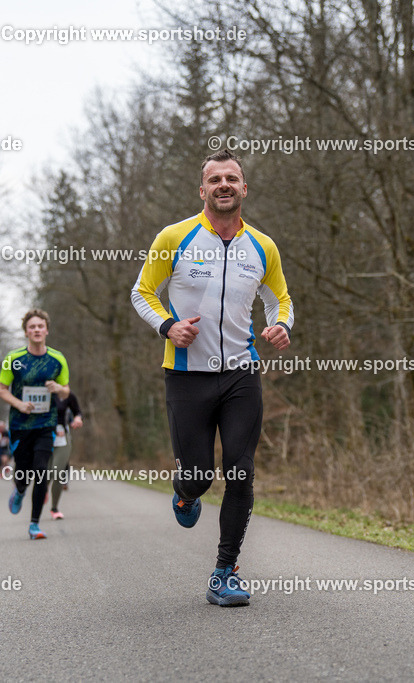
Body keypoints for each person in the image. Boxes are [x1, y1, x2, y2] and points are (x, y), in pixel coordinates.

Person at [131, 150, 293, 606]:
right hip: (187, 376)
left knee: (240, 470)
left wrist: (282, 324)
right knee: (200, 475)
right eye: (215, 179)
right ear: (203, 190)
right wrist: (168, 325)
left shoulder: (263, 246)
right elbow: (142, 292)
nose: (224, 185)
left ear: (244, 189)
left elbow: (280, 297)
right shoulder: (174, 238)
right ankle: (186, 494)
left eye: (232, 178)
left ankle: (226, 571)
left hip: (242, 373)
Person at [0, 309, 70, 540]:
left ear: (47, 330)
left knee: (41, 471)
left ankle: (34, 525)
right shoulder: (14, 359)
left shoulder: (57, 358)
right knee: (24, 471)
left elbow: (66, 390)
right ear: (26, 332)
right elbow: (1, 390)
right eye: (32, 327)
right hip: (20, 424)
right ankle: (19, 491)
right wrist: (19, 404)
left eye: (40, 326)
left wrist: (58, 389)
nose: (37, 330)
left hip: (45, 423)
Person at [49, 391, 83, 520]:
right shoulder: (39, 390)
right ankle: (42, 493)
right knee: (44, 475)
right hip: (43, 436)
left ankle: (54, 508)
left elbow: (77, 411)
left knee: (58, 471)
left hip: (62, 436)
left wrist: (77, 418)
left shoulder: (67, 394)